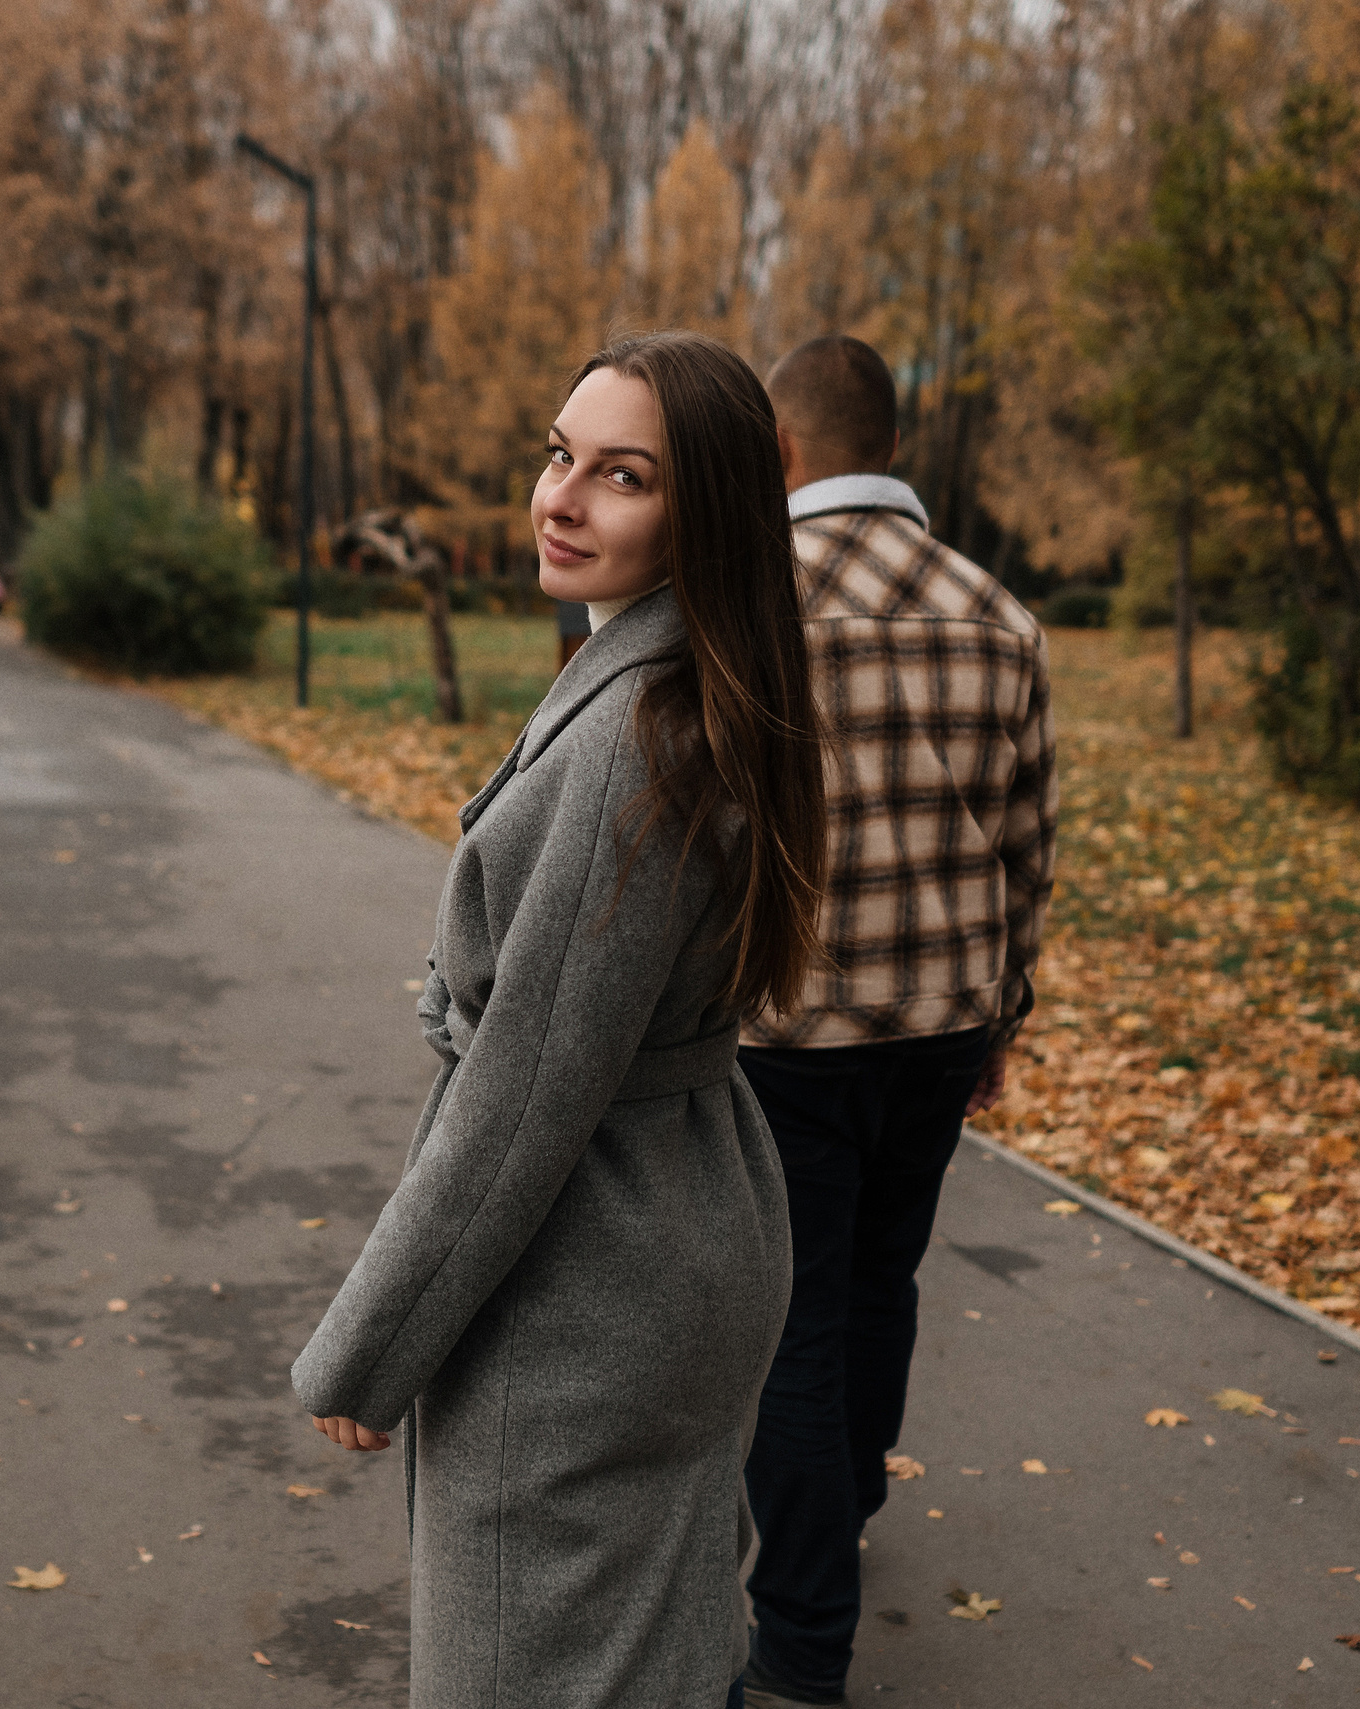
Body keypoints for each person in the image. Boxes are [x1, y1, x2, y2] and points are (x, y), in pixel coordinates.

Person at [292, 331, 828, 1709]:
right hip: (682, 1218)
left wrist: (373, 1343)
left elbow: (525, 1097)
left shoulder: (631, 747)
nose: (562, 496)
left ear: (701, 511)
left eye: (622, 474)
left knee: (529, 1667)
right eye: (558, 453)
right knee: (650, 1648)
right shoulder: (688, 682)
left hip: (594, 1279)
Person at [733, 334, 1057, 1708]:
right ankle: (848, 1502)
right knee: (881, 1278)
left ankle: (804, 1644)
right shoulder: (1001, 614)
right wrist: (1003, 1015)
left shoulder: (746, 607)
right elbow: (1025, 844)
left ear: (786, 453)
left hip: (792, 1031)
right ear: (891, 444)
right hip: (940, 1024)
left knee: (791, 1323)